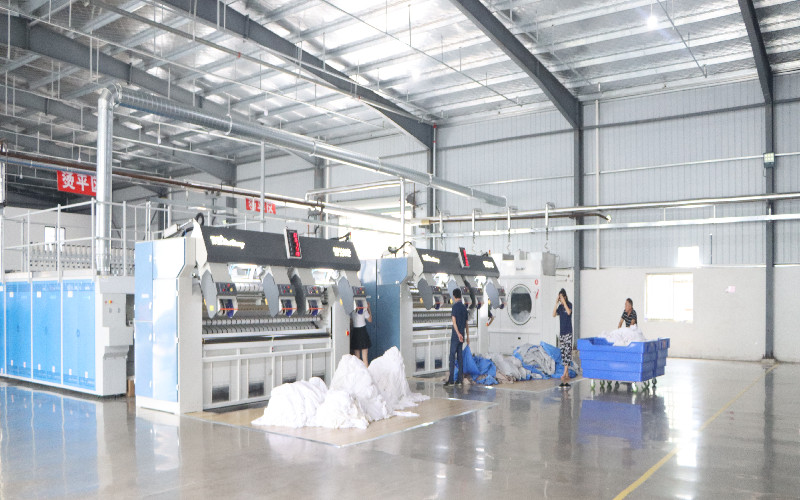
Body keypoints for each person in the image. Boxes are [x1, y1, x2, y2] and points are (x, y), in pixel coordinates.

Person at [444, 288, 469, 387]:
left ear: (454, 296)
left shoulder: (454, 307)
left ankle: (451, 381)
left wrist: (458, 334)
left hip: (456, 336)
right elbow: (466, 324)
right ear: (461, 296)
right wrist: (467, 336)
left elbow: (454, 322)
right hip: (462, 336)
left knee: (452, 357)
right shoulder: (464, 308)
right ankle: (459, 380)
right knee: (460, 358)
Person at [552, 288, 572, 387]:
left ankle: (564, 373)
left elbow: (568, 312)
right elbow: (553, 314)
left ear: (565, 296)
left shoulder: (569, 304)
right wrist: (556, 303)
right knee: (563, 352)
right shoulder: (560, 307)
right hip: (562, 332)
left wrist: (564, 302)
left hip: (568, 332)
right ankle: (567, 373)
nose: (560, 299)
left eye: (561, 297)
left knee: (568, 352)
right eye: (559, 297)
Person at [350, 300, 372, 367]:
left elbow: (351, 321)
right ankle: (366, 373)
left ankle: (358, 372)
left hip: (355, 332)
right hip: (363, 332)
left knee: (357, 358)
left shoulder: (352, 312)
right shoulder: (364, 311)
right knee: (365, 359)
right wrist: (368, 308)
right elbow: (370, 320)